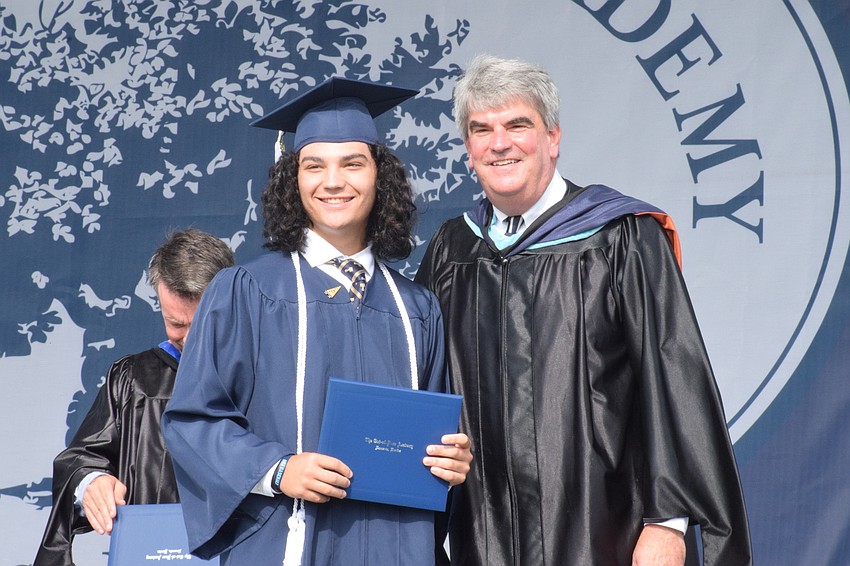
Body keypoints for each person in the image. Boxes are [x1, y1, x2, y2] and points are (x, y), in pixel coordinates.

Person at [414, 55, 753, 566]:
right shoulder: (453, 248)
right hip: (482, 532)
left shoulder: (621, 237)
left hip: (603, 528)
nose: (499, 143)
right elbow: (418, 379)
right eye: (482, 130)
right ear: (468, 150)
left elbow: (670, 380)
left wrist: (667, 523)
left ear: (552, 138)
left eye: (517, 125)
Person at [161, 76, 472, 566]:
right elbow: (193, 419)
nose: (332, 181)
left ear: (380, 177)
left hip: (396, 548)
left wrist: (450, 462)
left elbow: (429, 441)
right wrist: (277, 469)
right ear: (294, 181)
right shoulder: (247, 292)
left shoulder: (417, 308)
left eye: (352, 163)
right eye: (314, 166)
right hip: (287, 540)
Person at [34, 228, 235, 566]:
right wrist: (92, 482)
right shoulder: (133, 380)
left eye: (201, 324)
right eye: (176, 324)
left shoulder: (266, 375)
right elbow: (81, 458)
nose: (190, 339)